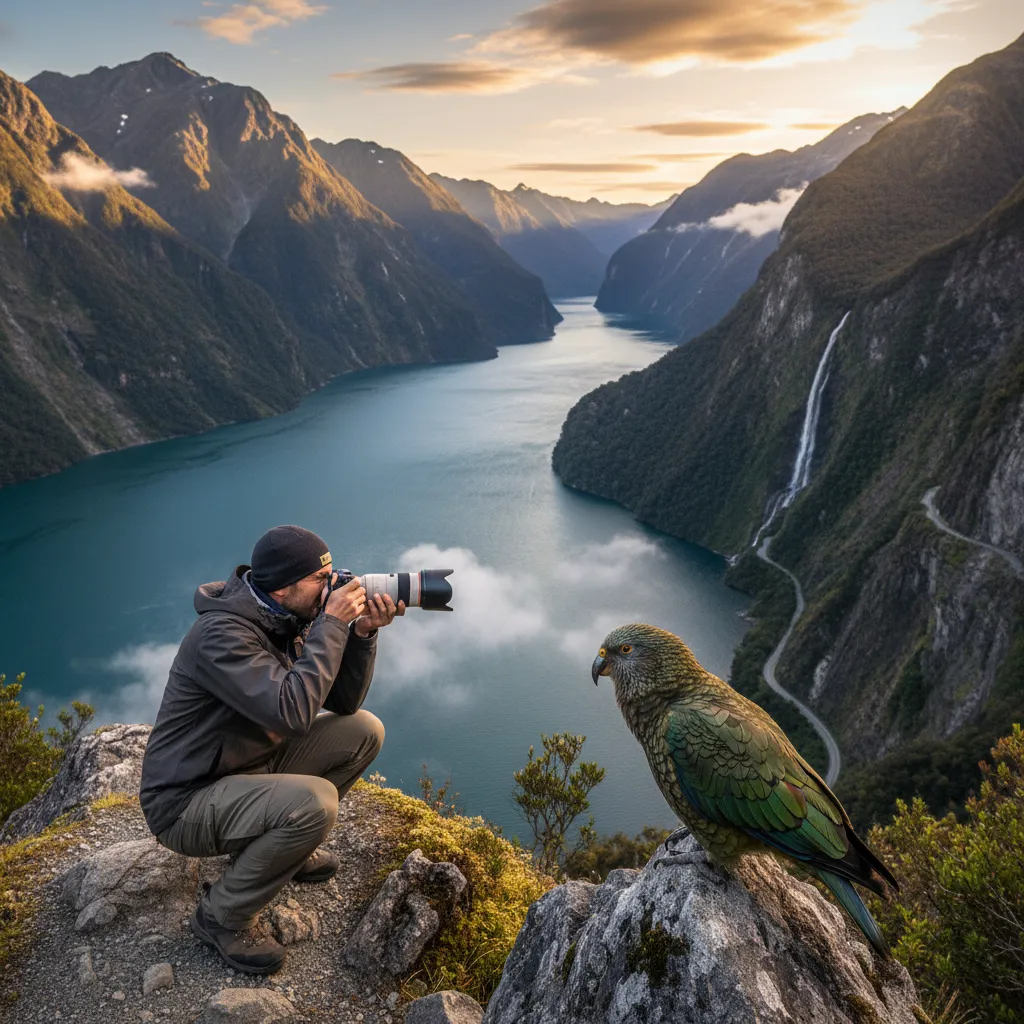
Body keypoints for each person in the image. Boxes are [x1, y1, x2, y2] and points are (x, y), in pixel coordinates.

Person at [139, 525, 402, 975]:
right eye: (321, 580)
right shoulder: (221, 635)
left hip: (248, 769)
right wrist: (333, 624)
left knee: (363, 730)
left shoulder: (284, 617)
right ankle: (222, 916)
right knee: (314, 805)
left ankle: (280, 851)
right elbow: (294, 712)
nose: (332, 586)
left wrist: (359, 635)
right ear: (283, 588)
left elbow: (342, 703)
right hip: (186, 801)